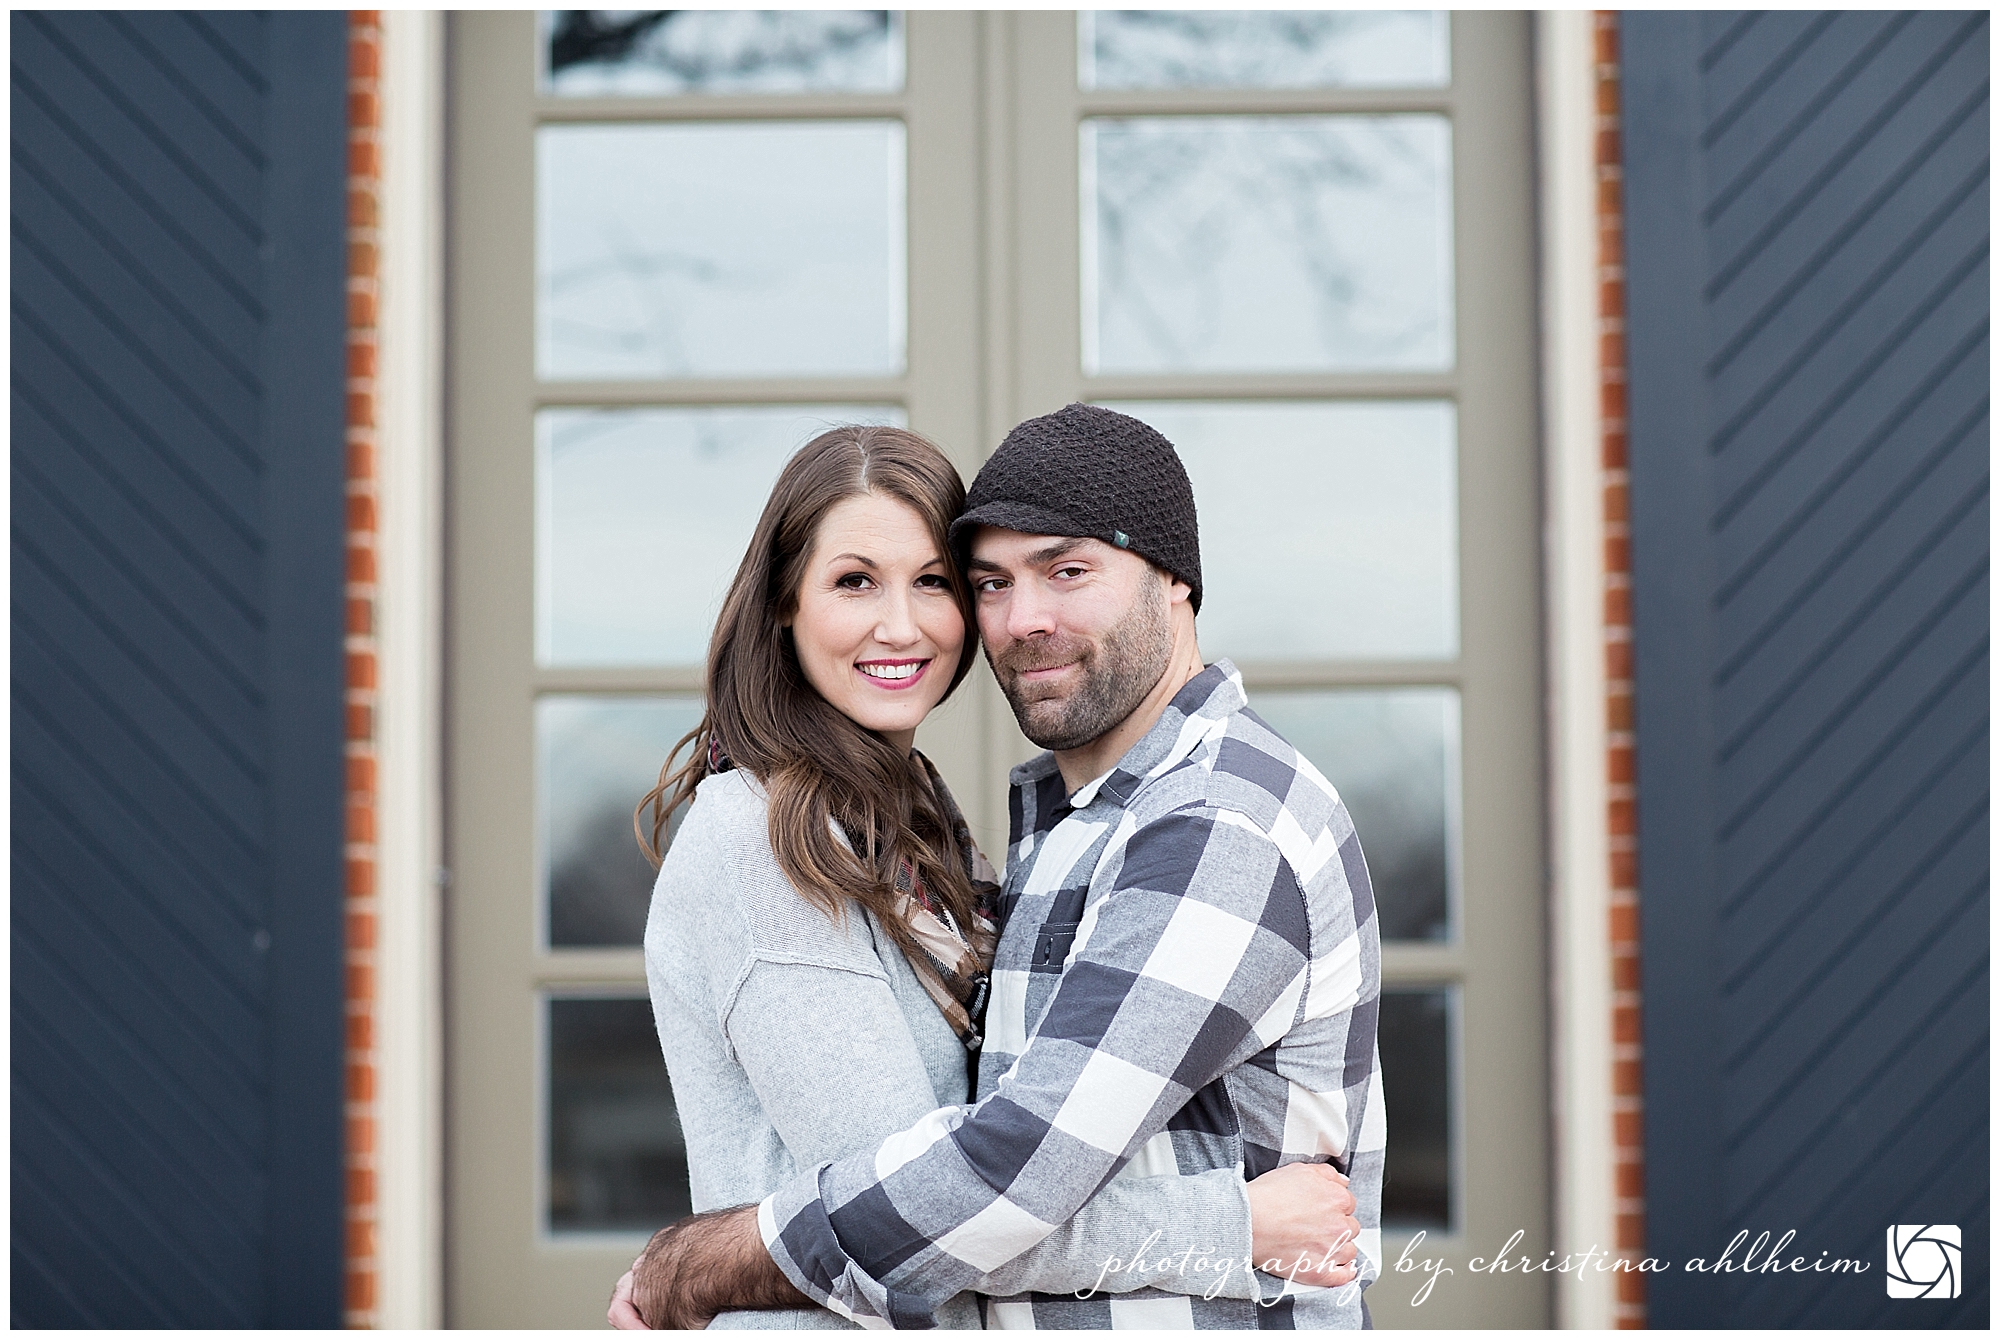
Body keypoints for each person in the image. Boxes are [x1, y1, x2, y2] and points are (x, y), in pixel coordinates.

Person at [617, 405, 1386, 1330]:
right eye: (989, 582)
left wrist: (701, 1262)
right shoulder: (769, 837)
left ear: (1176, 580)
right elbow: (938, 1199)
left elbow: (972, 1193)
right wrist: (1232, 1225)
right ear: (784, 605)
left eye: (1067, 570)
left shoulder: (1214, 826)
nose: (1023, 619)